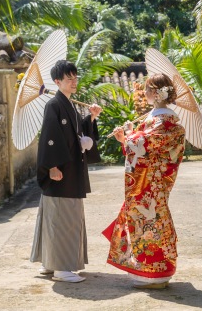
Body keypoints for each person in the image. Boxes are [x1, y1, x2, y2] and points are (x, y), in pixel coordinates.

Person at [102, 73, 186, 289]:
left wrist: (127, 137)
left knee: (147, 221)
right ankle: (154, 271)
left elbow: (146, 144)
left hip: (150, 183)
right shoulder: (162, 119)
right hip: (154, 181)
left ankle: (152, 273)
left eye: (148, 89)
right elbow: (146, 143)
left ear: (157, 93)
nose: (144, 93)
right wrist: (131, 135)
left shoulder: (163, 120)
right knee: (151, 219)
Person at [30, 59, 102, 283]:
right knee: (63, 217)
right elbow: (50, 138)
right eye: (68, 78)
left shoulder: (68, 104)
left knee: (56, 216)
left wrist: (90, 119)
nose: (74, 81)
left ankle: (49, 263)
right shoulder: (54, 105)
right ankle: (61, 269)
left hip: (68, 170)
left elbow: (74, 132)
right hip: (60, 170)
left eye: (75, 77)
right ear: (57, 81)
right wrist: (51, 166)